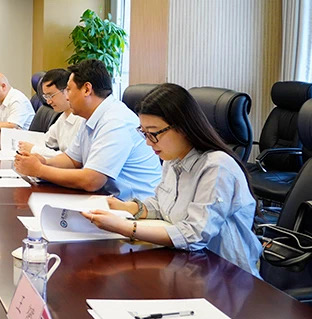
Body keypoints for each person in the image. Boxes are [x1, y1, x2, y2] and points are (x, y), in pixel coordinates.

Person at [81, 83, 262, 276]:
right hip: (187, 266)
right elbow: (162, 205)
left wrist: (126, 227)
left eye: (153, 133)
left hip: (225, 275)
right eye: (144, 133)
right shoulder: (172, 158)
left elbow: (194, 235)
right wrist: (125, 207)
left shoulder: (217, 167)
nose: (148, 142)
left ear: (183, 127)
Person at [14, 59, 161, 200]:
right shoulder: (90, 117)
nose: (66, 98)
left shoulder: (115, 121)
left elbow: (92, 180)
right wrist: (45, 162)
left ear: (87, 89)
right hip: (107, 199)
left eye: (69, 90)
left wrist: (40, 170)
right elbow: (72, 160)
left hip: (134, 207)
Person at [39, 68, 84, 151]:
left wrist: (34, 149)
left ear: (67, 90)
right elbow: (46, 140)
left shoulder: (81, 120)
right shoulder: (63, 117)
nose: (48, 101)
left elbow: (70, 157)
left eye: (51, 95)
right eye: (46, 97)